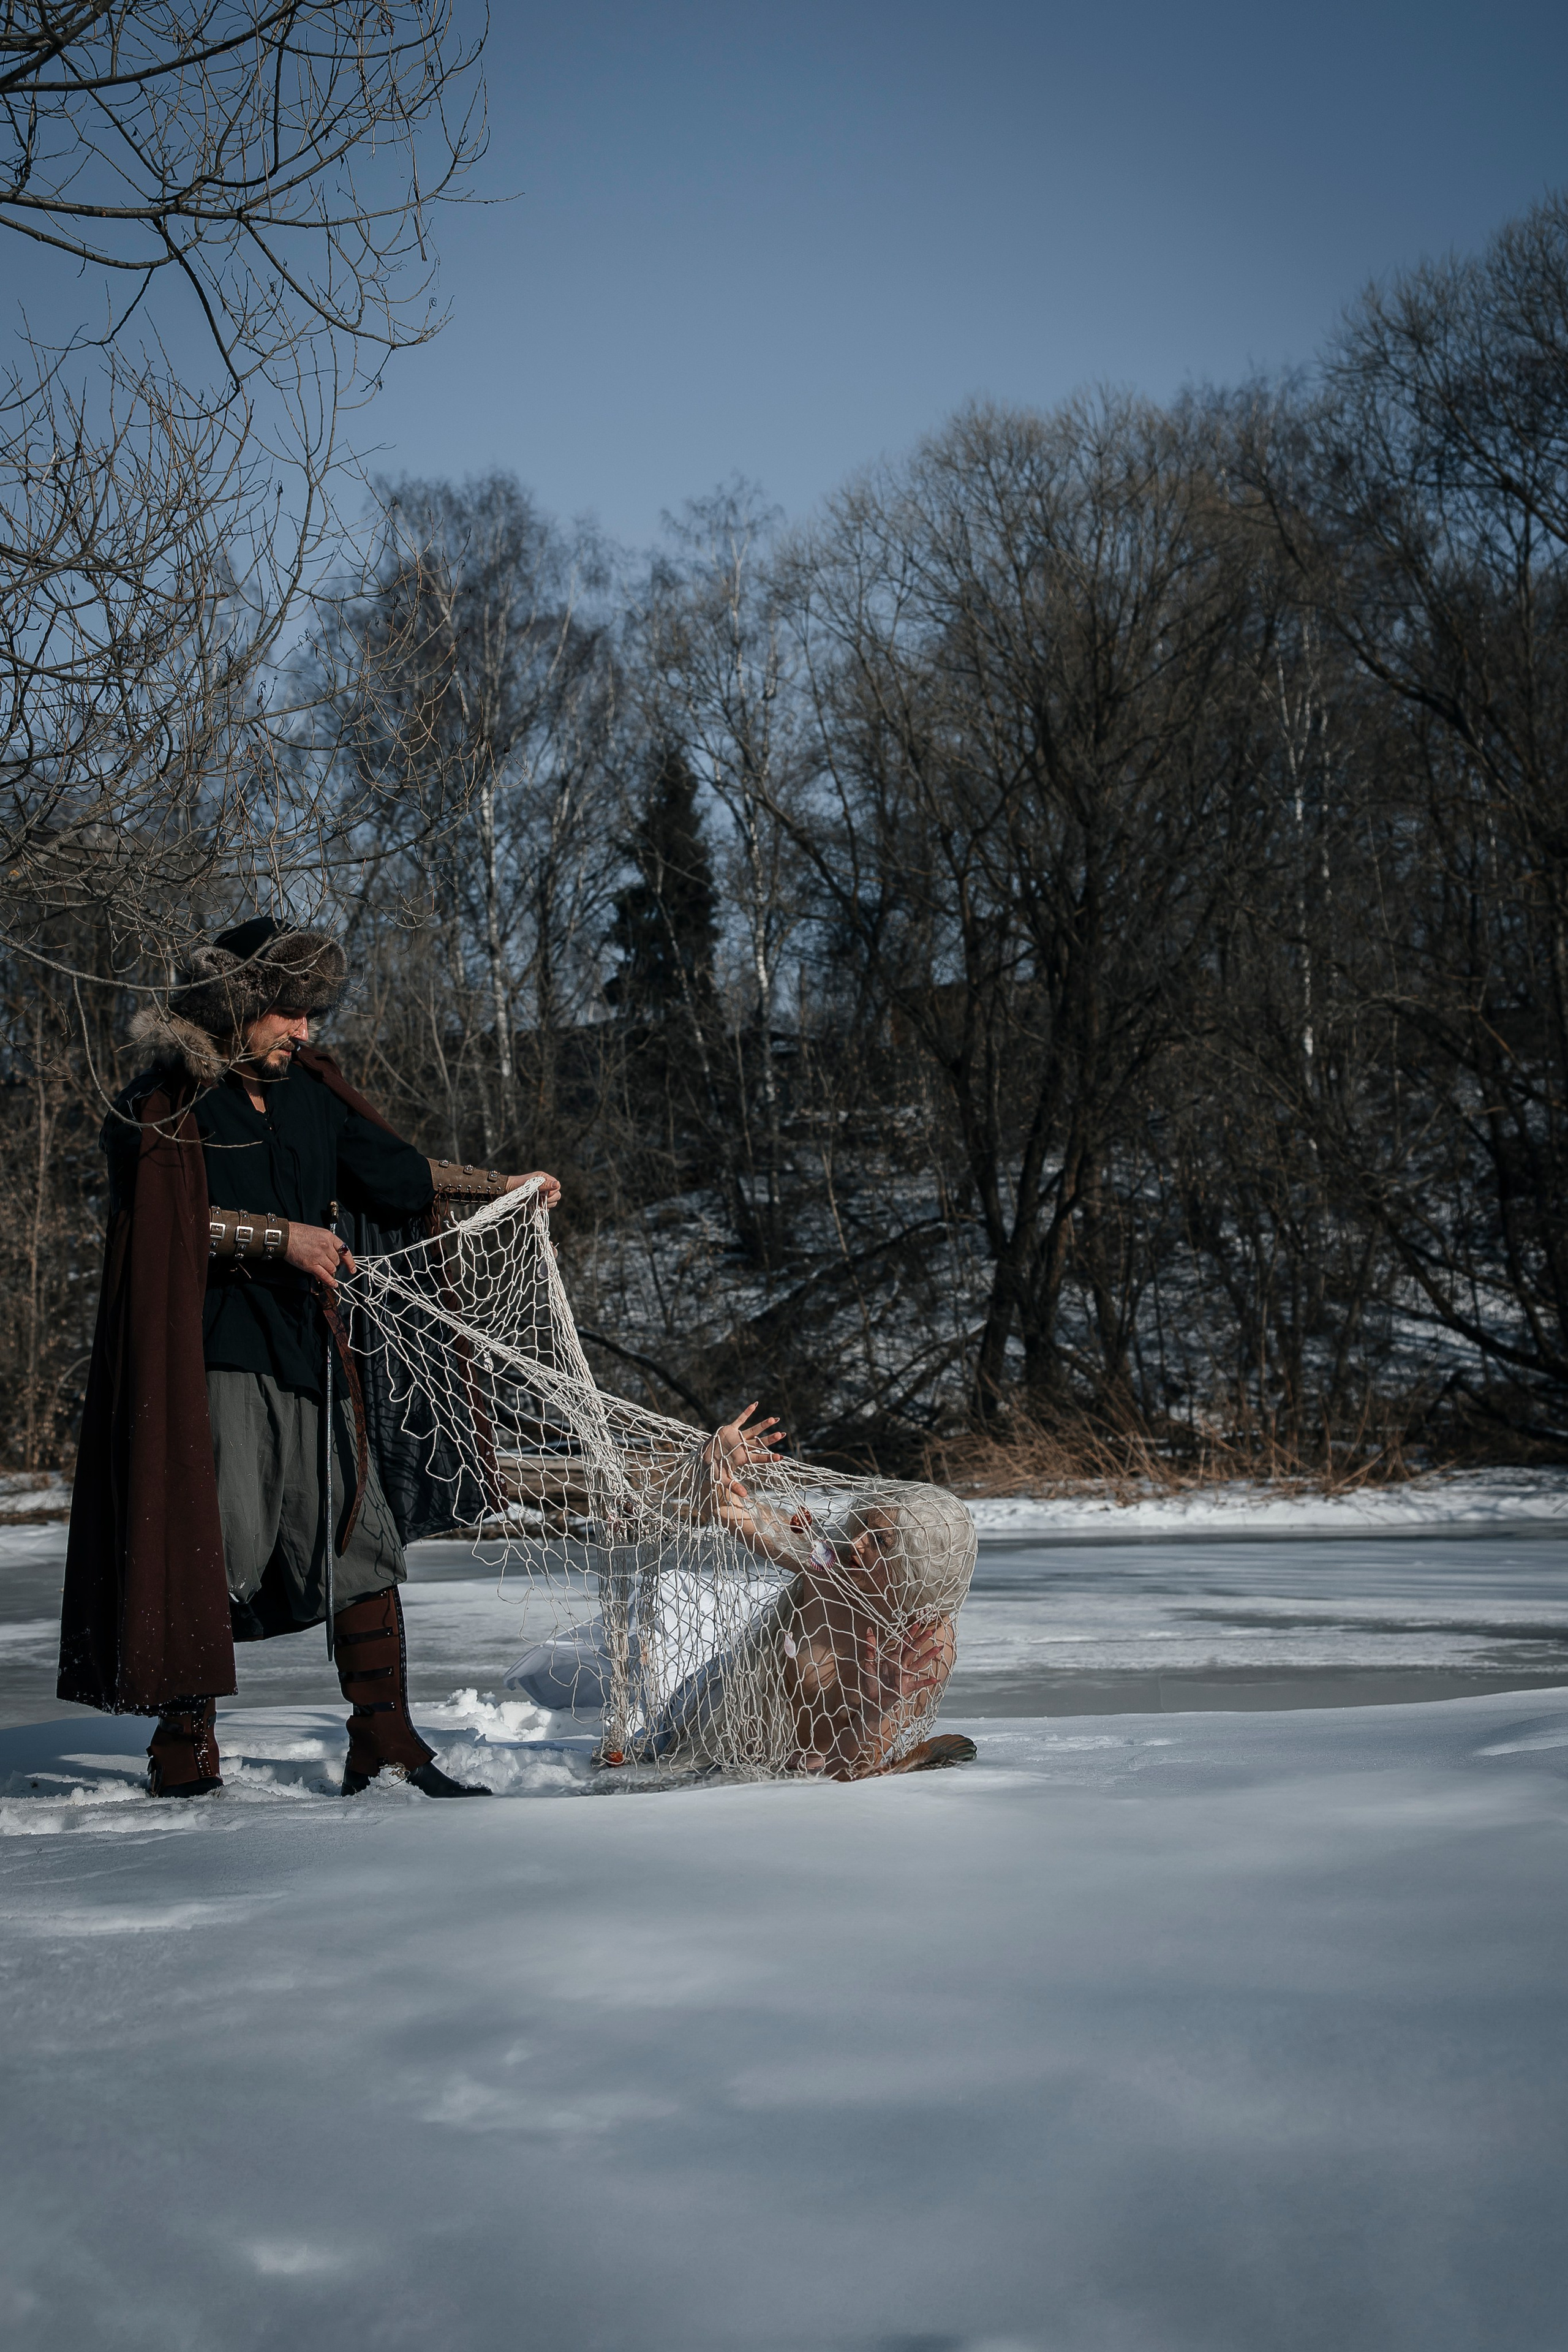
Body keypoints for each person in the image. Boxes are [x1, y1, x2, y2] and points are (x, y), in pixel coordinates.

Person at [57, 914, 562, 1801]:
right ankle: (184, 1751)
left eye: (311, 1013)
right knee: (214, 1545)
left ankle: (385, 1739)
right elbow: (163, 1229)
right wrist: (277, 1239)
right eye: (289, 1012)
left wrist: (504, 1187)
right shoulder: (166, 1106)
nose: (306, 1031)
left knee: (360, 1545)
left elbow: (401, 1176)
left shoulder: (312, 1094)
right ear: (240, 1004)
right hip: (209, 1362)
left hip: (311, 1356)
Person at [645, 1403, 978, 1779]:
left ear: (917, 1564)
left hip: (801, 1774)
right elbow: (728, 1510)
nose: (857, 1541)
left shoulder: (927, 1643)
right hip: (709, 1723)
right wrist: (718, 1468)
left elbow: (850, 1770)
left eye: (881, 1541)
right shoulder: (826, 1565)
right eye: (864, 1525)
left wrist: (881, 1707)